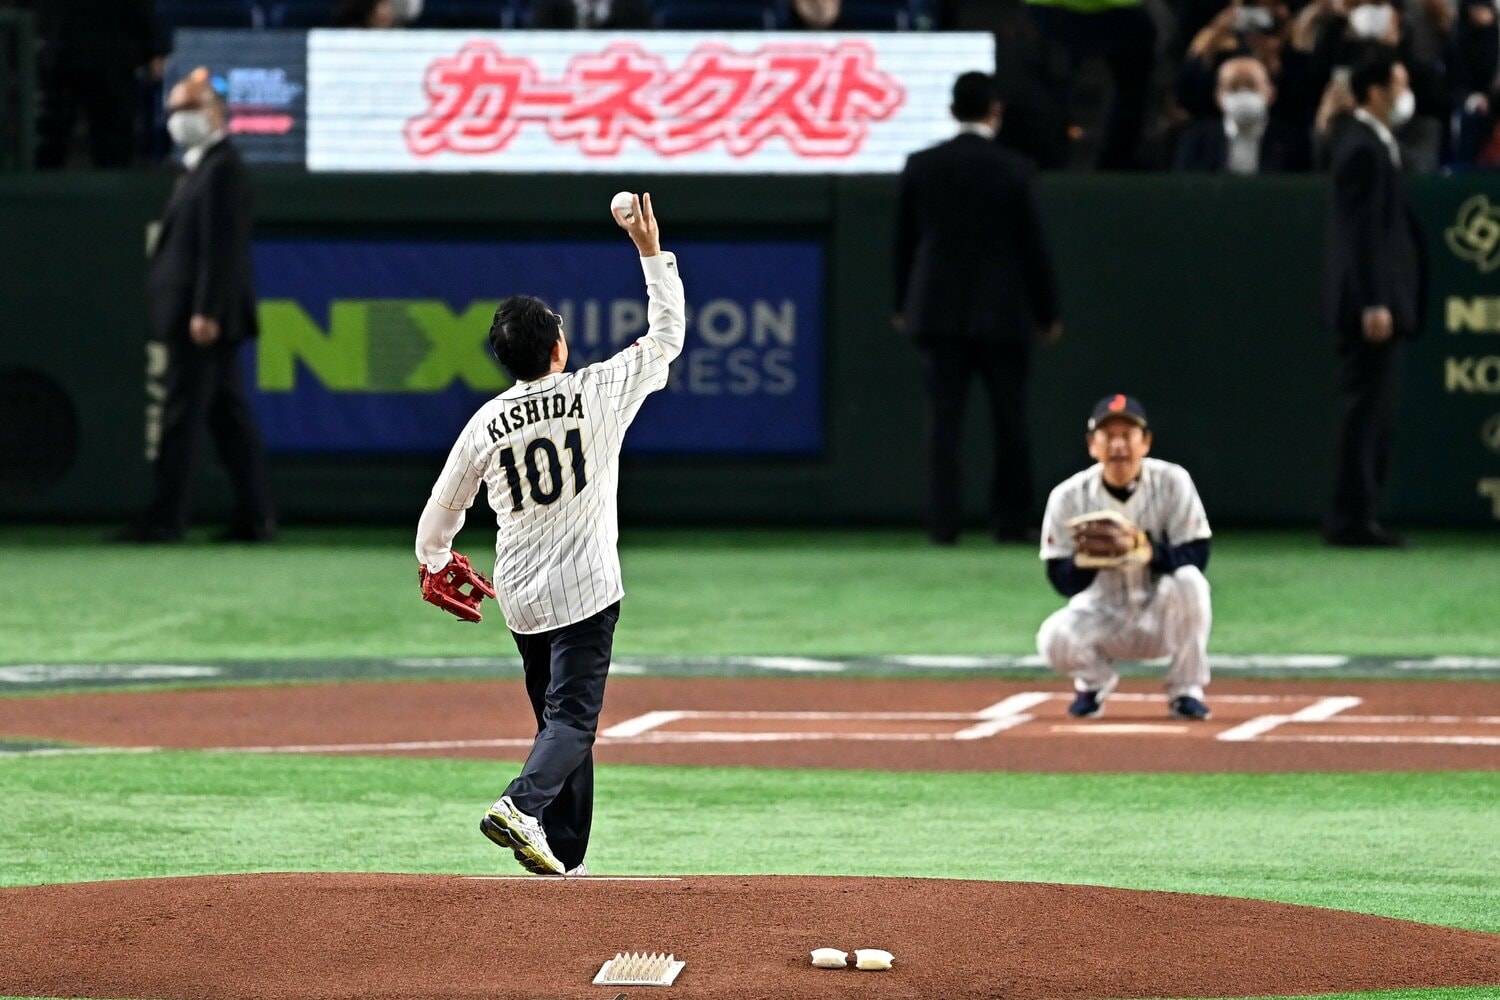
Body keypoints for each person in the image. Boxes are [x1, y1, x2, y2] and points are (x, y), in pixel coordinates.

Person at [414, 193, 683, 877]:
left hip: (522, 598)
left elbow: (441, 512)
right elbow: (667, 337)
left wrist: (434, 561)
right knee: (573, 722)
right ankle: (520, 804)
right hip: (586, 589)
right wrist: (650, 252)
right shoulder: (598, 389)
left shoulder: (485, 422)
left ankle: (563, 853)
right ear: (558, 347)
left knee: (558, 725)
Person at [894, 71, 1062, 546]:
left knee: (943, 421)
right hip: (1003, 312)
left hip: (936, 309)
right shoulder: (1015, 168)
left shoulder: (922, 165)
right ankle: (1011, 521)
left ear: (952, 111)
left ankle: (943, 524)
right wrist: (1047, 312)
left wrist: (902, 303)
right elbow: (1033, 247)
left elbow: (904, 243)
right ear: (996, 111)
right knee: (1010, 419)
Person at [118, 67, 275, 544]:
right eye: (173, 109)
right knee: (228, 420)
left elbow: (220, 248)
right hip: (198, 316)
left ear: (215, 112)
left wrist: (206, 310)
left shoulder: (222, 168)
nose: (178, 117)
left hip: (202, 320)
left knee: (181, 418)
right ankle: (256, 518)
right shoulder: (198, 168)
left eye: (188, 107)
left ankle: (165, 520)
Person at [1036, 395, 1214, 721]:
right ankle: (1093, 684)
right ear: (1093, 445)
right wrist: (1088, 561)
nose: (1118, 444)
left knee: (1191, 581)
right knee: (1052, 640)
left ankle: (1186, 690)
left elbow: (1197, 554)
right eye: (1108, 435)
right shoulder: (1067, 496)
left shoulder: (1172, 481)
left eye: (1127, 435)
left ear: (1145, 442)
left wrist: (1147, 551)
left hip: (1160, 615)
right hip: (1101, 613)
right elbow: (1060, 579)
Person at [1321, 47, 1426, 547]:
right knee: (1365, 413)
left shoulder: (1374, 142)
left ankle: (1361, 515)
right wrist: (1374, 301)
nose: (1406, 94)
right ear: (1375, 91)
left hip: (1380, 301)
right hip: (1372, 307)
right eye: (1399, 84)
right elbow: (1361, 233)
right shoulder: (1361, 146)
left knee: (1373, 413)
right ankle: (1352, 519)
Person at [32, 0, 167, 168]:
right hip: (61, 54)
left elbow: (141, 8)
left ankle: (115, 181)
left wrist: (155, 48)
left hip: (111, 55)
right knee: (51, 138)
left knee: (113, 140)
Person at [1173, 55, 1311, 172]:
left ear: (1271, 93)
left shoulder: (1293, 143)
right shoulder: (1196, 141)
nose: (1243, 93)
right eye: (1233, 87)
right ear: (1218, 96)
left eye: (1251, 86)